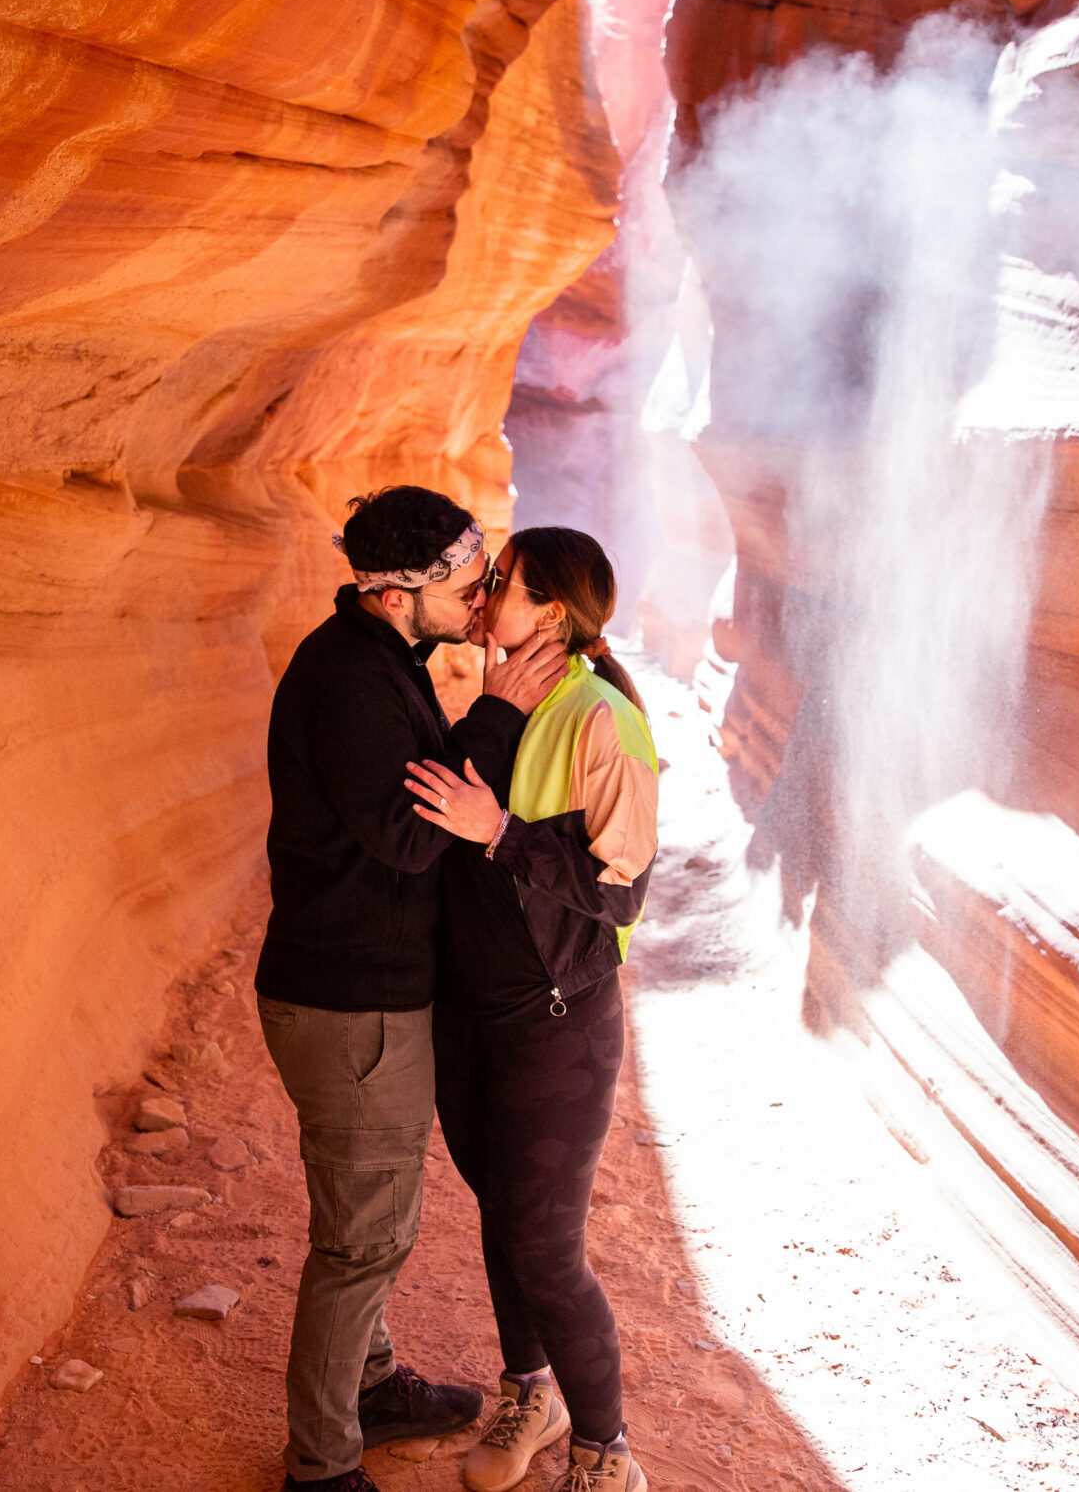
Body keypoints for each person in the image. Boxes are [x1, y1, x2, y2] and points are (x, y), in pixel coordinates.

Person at [257, 486, 569, 1492]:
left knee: (371, 1211)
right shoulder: (349, 681)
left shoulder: (378, 659)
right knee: (362, 1241)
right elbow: (404, 835)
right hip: (353, 1005)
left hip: (363, 992)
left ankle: (374, 1386)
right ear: (400, 593)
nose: (480, 600)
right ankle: (321, 1465)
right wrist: (496, 710)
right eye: (467, 582)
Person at [401, 528, 660, 1492]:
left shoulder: (601, 720)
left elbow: (621, 895)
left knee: (548, 1250)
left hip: (558, 1030)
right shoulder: (504, 700)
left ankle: (604, 1453)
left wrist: (501, 832)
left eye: (500, 581)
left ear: (550, 613)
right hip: (473, 1020)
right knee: (505, 1217)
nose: (483, 591)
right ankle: (529, 1391)